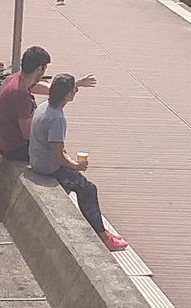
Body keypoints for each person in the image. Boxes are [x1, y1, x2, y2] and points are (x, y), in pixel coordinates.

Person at [29, 74, 128, 252]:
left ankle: (101, 230)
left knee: (80, 185)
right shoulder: (57, 118)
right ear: (67, 95)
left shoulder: (44, 106)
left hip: (36, 157)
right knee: (88, 189)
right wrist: (76, 166)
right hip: (47, 166)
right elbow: (59, 156)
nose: (76, 91)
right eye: (74, 89)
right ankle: (103, 236)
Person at [0, 46, 95, 162]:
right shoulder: (20, 94)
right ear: (40, 69)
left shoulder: (14, 79)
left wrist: (75, 84)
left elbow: (48, 89)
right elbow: (27, 134)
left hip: (4, 141)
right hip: (13, 149)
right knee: (57, 153)